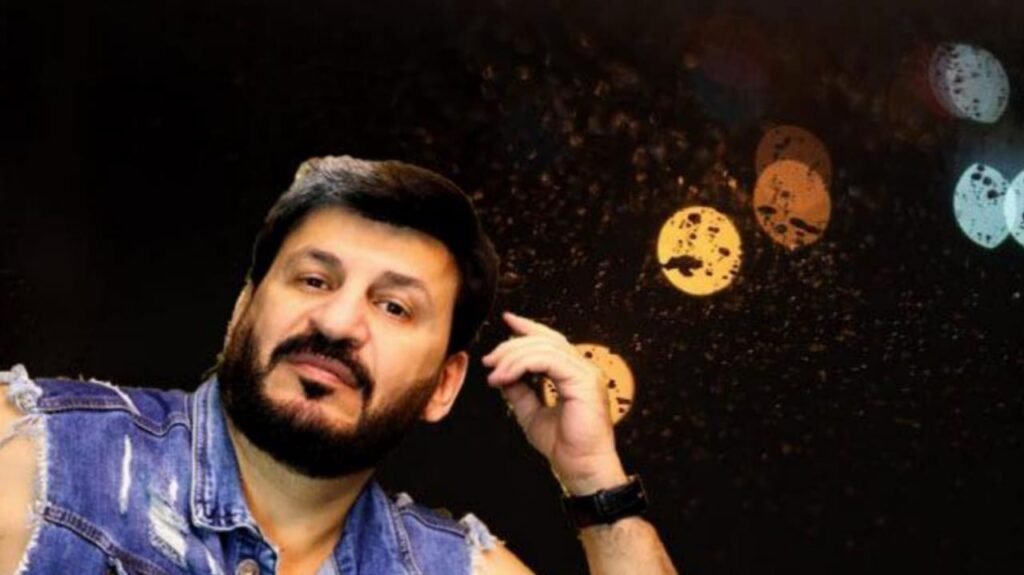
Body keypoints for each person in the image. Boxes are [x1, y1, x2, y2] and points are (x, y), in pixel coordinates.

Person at [0, 156, 678, 575]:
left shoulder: (444, 568)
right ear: (242, 310)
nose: (337, 323)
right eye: (315, 281)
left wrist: (594, 479)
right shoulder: (38, 459)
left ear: (444, 385)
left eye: (394, 307)